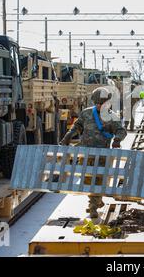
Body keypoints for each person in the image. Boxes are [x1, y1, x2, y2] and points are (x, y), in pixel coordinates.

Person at [60, 87, 127, 218]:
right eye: (97, 103)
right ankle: (96, 200)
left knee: (99, 181)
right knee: (88, 181)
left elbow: (121, 131)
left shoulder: (112, 117)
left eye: (102, 103)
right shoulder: (86, 113)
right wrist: (69, 135)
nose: (99, 105)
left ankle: (93, 207)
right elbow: (77, 125)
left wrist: (117, 139)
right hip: (86, 154)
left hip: (103, 156)